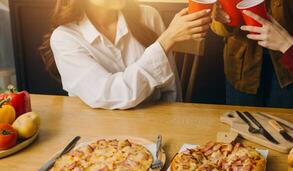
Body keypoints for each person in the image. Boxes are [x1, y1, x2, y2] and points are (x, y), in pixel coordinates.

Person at [39, 0, 212, 109]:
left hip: (156, 126)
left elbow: (170, 87)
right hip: (101, 138)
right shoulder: (65, 38)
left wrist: (173, 122)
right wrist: (166, 40)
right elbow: (112, 94)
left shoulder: (148, 15)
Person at [211, 0, 293, 109]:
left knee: (284, 122)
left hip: (286, 68)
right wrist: (224, 20)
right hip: (241, 67)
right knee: (242, 122)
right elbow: (219, 28)